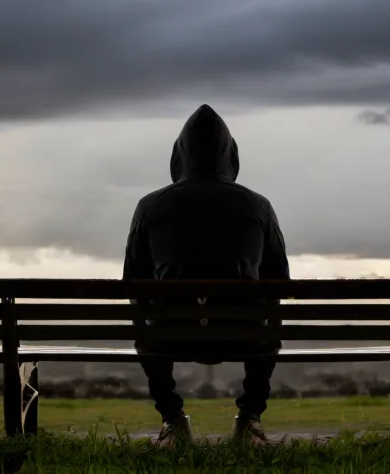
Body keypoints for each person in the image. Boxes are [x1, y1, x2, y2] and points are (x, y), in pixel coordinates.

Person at [122, 104, 291, 447]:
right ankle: (249, 419)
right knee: (268, 329)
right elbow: (280, 281)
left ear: (179, 155)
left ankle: (172, 419)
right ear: (230, 155)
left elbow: (132, 281)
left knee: (147, 334)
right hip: (245, 336)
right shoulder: (258, 205)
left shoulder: (150, 205)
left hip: (169, 337)